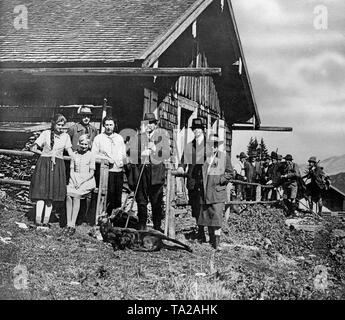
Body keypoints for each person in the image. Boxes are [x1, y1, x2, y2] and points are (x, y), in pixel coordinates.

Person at [29, 113, 74, 227]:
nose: (60, 127)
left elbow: (70, 152)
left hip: (58, 165)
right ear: (54, 124)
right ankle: (38, 221)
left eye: (62, 125)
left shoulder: (66, 136)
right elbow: (33, 147)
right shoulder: (45, 133)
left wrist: (78, 157)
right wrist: (44, 153)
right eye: (59, 124)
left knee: (51, 195)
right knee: (41, 194)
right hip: (44, 164)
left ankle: (46, 221)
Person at [127, 113, 170, 232]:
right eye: (147, 123)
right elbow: (130, 152)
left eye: (152, 123)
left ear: (155, 125)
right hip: (142, 173)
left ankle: (157, 228)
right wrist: (141, 153)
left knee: (156, 202)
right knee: (142, 201)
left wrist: (156, 150)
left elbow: (167, 153)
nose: (149, 125)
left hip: (156, 174)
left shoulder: (162, 137)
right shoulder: (139, 137)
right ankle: (142, 227)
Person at [197, 134, 234, 250]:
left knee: (217, 217)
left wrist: (220, 180)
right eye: (209, 146)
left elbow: (230, 173)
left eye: (214, 146)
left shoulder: (223, 157)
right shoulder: (204, 159)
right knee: (208, 216)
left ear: (217, 147)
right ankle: (211, 240)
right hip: (206, 192)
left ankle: (217, 243)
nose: (211, 148)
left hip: (217, 192)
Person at [178, 118, 208, 242]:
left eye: (198, 129)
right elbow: (183, 161)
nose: (196, 131)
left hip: (204, 181)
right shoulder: (190, 145)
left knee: (203, 205)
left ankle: (205, 231)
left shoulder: (209, 145)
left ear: (203, 130)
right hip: (192, 180)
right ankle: (199, 229)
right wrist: (180, 168)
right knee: (195, 206)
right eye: (194, 129)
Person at [92, 116, 127, 215]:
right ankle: (104, 217)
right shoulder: (99, 138)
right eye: (106, 125)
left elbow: (123, 153)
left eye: (110, 125)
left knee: (117, 195)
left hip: (118, 171)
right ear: (103, 125)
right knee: (108, 195)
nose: (108, 127)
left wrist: (123, 163)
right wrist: (106, 159)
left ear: (114, 125)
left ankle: (115, 219)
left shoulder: (119, 138)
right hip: (106, 172)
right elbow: (93, 155)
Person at [65, 135, 96, 234]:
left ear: (89, 145)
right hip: (74, 178)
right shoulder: (74, 154)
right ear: (78, 144)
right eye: (82, 144)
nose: (83, 146)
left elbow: (91, 173)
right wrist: (74, 181)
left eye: (86, 144)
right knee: (69, 194)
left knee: (77, 195)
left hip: (87, 180)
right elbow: (71, 170)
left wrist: (81, 181)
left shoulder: (91, 155)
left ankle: (73, 224)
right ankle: (68, 222)